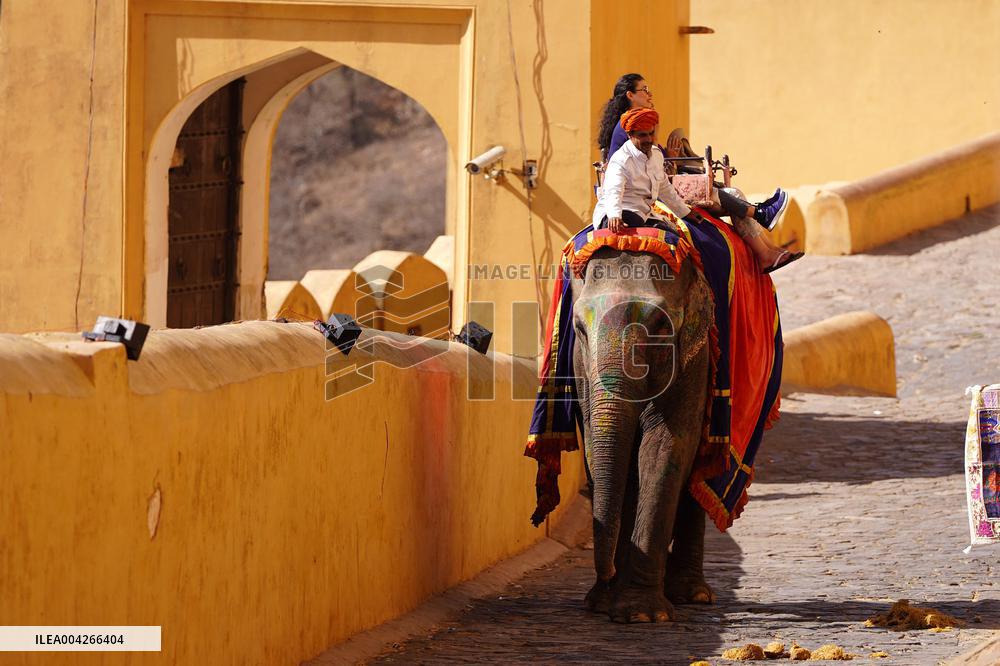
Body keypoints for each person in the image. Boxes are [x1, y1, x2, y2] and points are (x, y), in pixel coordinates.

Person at [594, 107, 801, 273]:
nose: (648, 139)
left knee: (678, 242)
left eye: (651, 134)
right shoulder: (621, 161)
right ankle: (762, 217)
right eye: (642, 135)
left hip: (645, 211)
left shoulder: (655, 155)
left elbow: (665, 188)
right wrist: (614, 214)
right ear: (630, 135)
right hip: (623, 211)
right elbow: (613, 189)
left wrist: (686, 213)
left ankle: (765, 240)